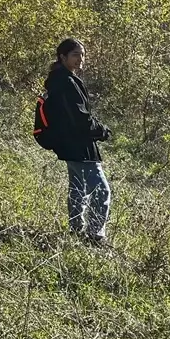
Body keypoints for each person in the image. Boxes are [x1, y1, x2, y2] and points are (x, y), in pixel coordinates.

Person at [43, 38, 112, 245]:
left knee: (78, 189)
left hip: (69, 145)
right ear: (62, 57)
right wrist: (102, 131)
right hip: (79, 146)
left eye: (82, 54)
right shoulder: (65, 82)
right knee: (101, 191)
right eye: (75, 55)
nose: (80, 59)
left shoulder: (60, 79)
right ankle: (95, 236)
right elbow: (80, 118)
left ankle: (76, 229)